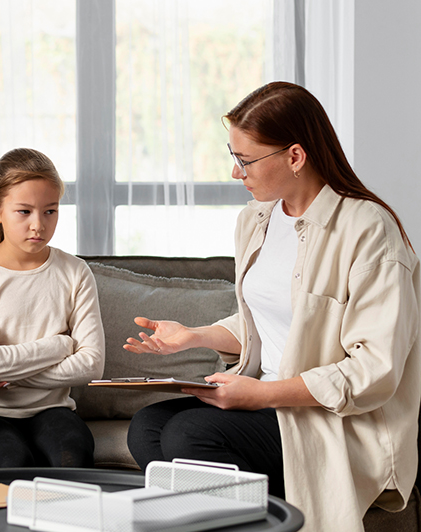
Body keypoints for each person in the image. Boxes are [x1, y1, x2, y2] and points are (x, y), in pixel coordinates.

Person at [124, 82, 420, 532]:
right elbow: (268, 322)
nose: (235, 173)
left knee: (190, 434)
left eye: (245, 160)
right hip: (268, 404)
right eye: (233, 157)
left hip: (329, 420)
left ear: (295, 156)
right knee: (146, 426)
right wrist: (194, 336)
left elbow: (374, 371)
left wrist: (262, 394)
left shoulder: (368, 230)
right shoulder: (256, 219)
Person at [0, 148, 105, 469]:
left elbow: (91, 365)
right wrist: (59, 346)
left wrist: (7, 366)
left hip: (52, 409)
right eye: (24, 212)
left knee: (71, 457)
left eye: (50, 211)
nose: (39, 225)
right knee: (8, 461)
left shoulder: (75, 272)